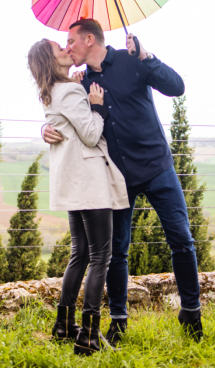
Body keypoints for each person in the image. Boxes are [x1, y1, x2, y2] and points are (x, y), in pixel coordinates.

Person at [42, 19, 204, 343]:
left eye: (71, 41)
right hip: (116, 177)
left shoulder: (133, 60)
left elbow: (177, 86)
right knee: (117, 252)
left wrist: (147, 55)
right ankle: (118, 321)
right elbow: (69, 117)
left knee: (182, 241)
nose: (68, 47)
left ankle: (191, 312)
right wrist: (44, 129)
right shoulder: (80, 83)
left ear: (90, 39)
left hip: (157, 168)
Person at [27, 38, 129, 356]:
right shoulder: (70, 90)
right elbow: (90, 133)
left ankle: (63, 325)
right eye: (60, 48)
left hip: (72, 181)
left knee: (81, 253)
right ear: (50, 60)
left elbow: (67, 124)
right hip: (89, 181)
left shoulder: (52, 92)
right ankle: (89, 335)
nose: (66, 50)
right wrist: (95, 106)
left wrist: (79, 97)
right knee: (101, 256)